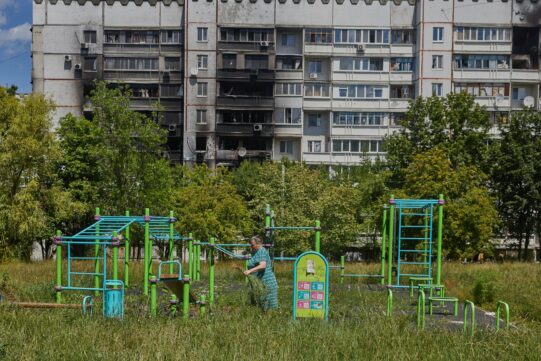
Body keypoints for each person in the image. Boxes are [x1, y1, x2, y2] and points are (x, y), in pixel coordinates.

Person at [244, 236, 278, 311]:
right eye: (250, 244)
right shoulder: (255, 252)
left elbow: (263, 265)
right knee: (260, 303)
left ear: (258, 244)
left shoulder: (262, 251)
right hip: (259, 282)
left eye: (252, 244)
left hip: (267, 281)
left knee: (268, 305)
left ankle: (270, 319)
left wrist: (249, 271)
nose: (251, 246)